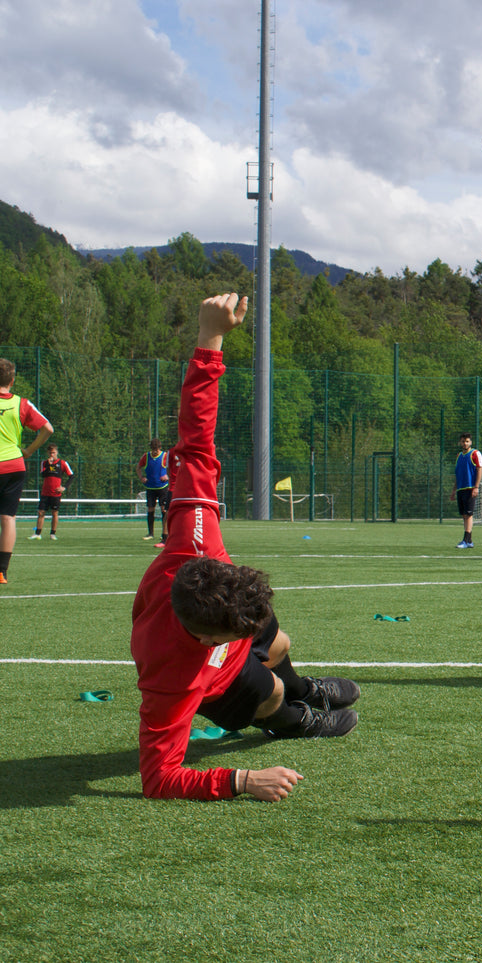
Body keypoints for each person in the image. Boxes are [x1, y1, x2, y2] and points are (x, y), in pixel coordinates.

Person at [130, 293, 360, 802]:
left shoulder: (196, 537)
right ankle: (293, 717)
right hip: (212, 676)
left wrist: (209, 338)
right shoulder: (171, 673)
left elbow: (195, 439)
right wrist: (240, 780)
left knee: (279, 643)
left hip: (219, 621)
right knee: (267, 692)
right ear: (209, 638)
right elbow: (158, 778)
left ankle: (305, 688)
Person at [0, 356, 54, 585]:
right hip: (14, 465)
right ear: (12, 381)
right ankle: (1, 572)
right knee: (8, 517)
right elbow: (47, 428)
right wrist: (29, 451)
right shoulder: (21, 403)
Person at [30, 443, 72, 540]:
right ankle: (37, 533)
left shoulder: (62, 463)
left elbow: (71, 476)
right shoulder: (44, 463)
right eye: (50, 453)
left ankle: (52, 534)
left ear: (57, 452)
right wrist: (49, 465)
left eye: (53, 452)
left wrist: (64, 487)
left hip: (56, 493)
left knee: (55, 513)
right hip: (45, 493)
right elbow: (43, 475)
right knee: (41, 513)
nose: (52, 454)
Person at [138, 438, 171, 545]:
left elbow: (173, 468)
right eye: (153, 449)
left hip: (162, 487)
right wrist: (141, 477)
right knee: (150, 509)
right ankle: (150, 533)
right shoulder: (146, 456)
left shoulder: (165, 456)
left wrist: (168, 476)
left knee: (164, 510)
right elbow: (138, 467)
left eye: (156, 449)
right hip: (151, 488)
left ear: (160, 448)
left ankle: (164, 534)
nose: (155, 451)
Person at [454, 432, 482, 549]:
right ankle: (469, 540)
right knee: (464, 515)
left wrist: (476, 487)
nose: (465, 443)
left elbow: (479, 469)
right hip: (461, 488)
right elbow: (457, 473)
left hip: (470, 488)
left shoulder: (475, 454)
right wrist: (453, 489)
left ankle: (466, 539)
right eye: (463, 441)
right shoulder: (459, 456)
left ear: (470, 442)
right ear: (460, 442)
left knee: (469, 514)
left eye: (467, 441)